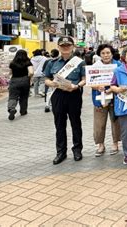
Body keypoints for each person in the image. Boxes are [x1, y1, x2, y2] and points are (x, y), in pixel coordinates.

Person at [44, 37, 86, 165]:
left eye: (68, 45)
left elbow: (84, 79)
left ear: (73, 47)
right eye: (63, 46)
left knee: (76, 123)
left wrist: (77, 86)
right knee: (59, 124)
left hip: (74, 95)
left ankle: (77, 150)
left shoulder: (79, 62)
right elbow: (46, 79)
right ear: (58, 47)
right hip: (58, 95)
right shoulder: (52, 62)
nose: (66, 48)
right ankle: (61, 152)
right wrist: (52, 83)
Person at [92, 44, 121, 157]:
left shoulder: (118, 65)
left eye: (108, 53)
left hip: (115, 98)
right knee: (99, 123)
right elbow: (90, 83)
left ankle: (115, 143)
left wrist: (112, 89)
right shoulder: (95, 66)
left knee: (115, 122)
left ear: (112, 53)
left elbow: (122, 81)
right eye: (103, 53)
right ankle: (100, 145)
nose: (106, 55)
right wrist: (97, 87)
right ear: (99, 54)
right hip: (99, 98)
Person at [7, 49, 34, 120]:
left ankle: (11, 109)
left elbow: (10, 73)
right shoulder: (28, 62)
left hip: (14, 80)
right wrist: (29, 78)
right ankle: (23, 111)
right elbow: (31, 72)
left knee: (13, 96)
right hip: (25, 80)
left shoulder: (12, 63)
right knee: (24, 96)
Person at [42, 49, 59, 113]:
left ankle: (47, 105)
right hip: (58, 79)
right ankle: (52, 104)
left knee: (49, 92)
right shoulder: (60, 61)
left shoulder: (48, 61)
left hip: (50, 79)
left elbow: (44, 71)